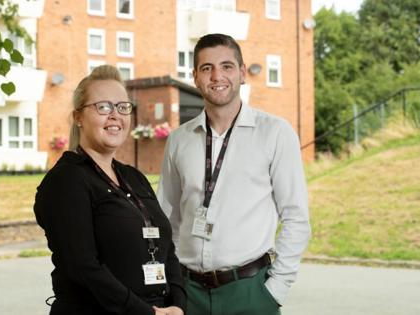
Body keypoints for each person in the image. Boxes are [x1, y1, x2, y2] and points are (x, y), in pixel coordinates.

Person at [158, 33, 311, 314]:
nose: (217, 76)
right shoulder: (178, 140)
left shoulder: (275, 133)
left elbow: (296, 217)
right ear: (195, 76)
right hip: (188, 293)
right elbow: (168, 218)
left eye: (226, 66)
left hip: (250, 292)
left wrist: (275, 289)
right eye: (207, 68)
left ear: (242, 73)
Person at [34, 65, 185, 315]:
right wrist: (145, 312)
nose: (115, 115)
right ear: (78, 117)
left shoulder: (134, 178)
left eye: (123, 107)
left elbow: (167, 250)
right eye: (103, 107)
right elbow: (83, 267)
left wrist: (177, 304)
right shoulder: (67, 180)